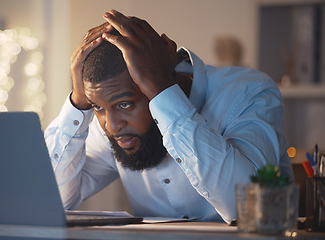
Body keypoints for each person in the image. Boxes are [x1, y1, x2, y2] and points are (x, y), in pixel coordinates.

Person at [44, 10, 293, 223]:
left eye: (125, 104)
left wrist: (163, 91)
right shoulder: (114, 123)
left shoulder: (247, 93)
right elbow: (49, 202)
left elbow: (249, 209)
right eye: (97, 107)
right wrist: (78, 104)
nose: (111, 125)